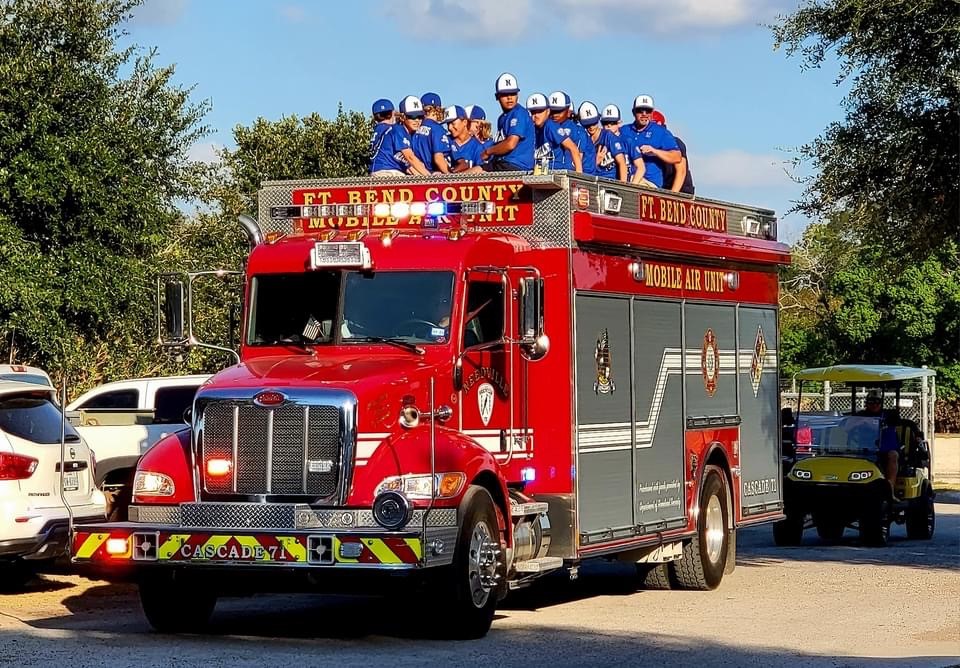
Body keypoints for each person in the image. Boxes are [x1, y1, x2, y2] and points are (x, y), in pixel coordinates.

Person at [620, 94, 681, 189]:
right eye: (640, 110)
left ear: (652, 113)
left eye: (647, 110)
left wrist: (655, 151)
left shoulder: (660, 132)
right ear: (633, 112)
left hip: (649, 183)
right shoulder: (624, 130)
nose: (644, 114)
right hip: (626, 178)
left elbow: (677, 157)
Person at [480, 72, 535, 172]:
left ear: (517, 95)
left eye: (513, 93)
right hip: (504, 164)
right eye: (505, 94)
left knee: (476, 173)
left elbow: (510, 144)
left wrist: (488, 151)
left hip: (517, 165)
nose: (509, 97)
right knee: (472, 172)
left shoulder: (519, 113)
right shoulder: (502, 118)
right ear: (497, 96)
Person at [370, 95, 431, 177]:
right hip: (387, 173)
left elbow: (408, 165)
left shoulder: (403, 133)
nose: (417, 120)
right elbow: (410, 157)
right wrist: (430, 178)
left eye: (420, 117)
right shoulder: (398, 130)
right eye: (412, 116)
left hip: (383, 172)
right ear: (403, 117)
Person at [855, 389, 900, 496]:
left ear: (881, 402)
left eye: (877, 402)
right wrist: (859, 422)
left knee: (893, 455)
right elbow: (846, 426)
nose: (874, 405)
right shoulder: (860, 415)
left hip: (885, 449)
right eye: (871, 402)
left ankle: (890, 491)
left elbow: (895, 424)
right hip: (865, 449)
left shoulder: (889, 415)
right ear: (866, 403)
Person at [528, 92, 579, 174]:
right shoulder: (533, 129)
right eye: (533, 112)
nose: (536, 115)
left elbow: (573, 148)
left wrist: (579, 177)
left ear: (547, 111)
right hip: (542, 172)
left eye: (540, 111)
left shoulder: (550, 125)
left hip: (557, 172)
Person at [579, 101, 627, 181]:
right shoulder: (585, 139)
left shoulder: (608, 136)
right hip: (593, 181)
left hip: (611, 182)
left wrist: (623, 188)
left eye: (593, 123)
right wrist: (596, 162)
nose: (591, 127)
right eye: (587, 124)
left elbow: (622, 163)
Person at [650, 109, 695, 195]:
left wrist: (672, 195)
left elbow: (681, 171)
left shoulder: (675, 142)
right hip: (662, 189)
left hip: (681, 191)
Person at [601, 104, 646, 184]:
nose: (609, 126)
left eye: (612, 123)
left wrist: (631, 186)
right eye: (605, 123)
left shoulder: (627, 141)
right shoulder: (601, 141)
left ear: (619, 123)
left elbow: (641, 167)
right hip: (607, 182)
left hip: (627, 181)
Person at [545, 91, 584, 173]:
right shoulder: (547, 125)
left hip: (568, 172)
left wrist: (579, 176)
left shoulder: (576, 130)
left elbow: (576, 152)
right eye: (552, 111)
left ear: (568, 110)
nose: (555, 115)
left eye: (559, 111)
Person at [413, 92, 451, 173]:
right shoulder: (437, 129)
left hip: (417, 173)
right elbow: (438, 159)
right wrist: (451, 177)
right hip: (433, 175)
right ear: (439, 110)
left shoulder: (415, 128)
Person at [444, 105, 484, 173]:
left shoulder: (478, 147)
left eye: (453, 123)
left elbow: (482, 171)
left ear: (464, 122)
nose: (449, 127)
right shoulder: (445, 141)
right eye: (448, 124)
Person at [369, 98, 395, 169]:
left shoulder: (376, 130)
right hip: (388, 169)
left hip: (374, 170)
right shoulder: (391, 129)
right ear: (392, 113)